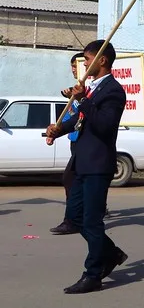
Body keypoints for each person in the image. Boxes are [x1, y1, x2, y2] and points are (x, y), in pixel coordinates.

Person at [45, 40, 128, 294]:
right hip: (81, 162)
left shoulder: (113, 91)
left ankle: (93, 273)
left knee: (92, 221)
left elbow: (104, 125)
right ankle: (110, 253)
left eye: (88, 59)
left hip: (98, 164)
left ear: (102, 61)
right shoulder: (90, 89)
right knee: (77, 217)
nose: (84, 65)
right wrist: (58, 129)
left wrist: (83, 100)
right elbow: (79, 120)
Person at [50, 53, 83, 236]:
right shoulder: (77, 89)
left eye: (78, 64)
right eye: (73, 65)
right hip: (75, 138)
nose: (74, 68)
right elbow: (73, 117)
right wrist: (57, 132)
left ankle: (73, 220)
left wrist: (78, 97)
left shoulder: (88, 89)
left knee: (71, 179)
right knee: (75, 180)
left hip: (86, 141)